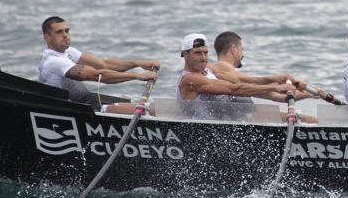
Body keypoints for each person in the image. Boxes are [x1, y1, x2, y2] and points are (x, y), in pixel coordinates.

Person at [176, 33, 312, 122]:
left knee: (306, 119)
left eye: (205, 53)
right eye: (198, 53)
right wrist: (276, 86)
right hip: (211, 130)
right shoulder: (190, 80)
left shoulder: (210, 69)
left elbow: (243, 80)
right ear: (185, 55)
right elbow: (235, 89)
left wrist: (277, 78)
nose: (203, 58)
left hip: (233, 121)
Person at [38, 16, 159, 113]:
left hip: (87, 102)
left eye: (67, 31)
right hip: (74, 111)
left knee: (152, 110)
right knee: (147, 111)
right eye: (59, 32)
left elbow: (104, 64)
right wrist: (137, 76)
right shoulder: (54, 61)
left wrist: (136, 63)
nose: (65, 35)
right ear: (47, 38)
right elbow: (98, 76)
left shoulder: (68, 52)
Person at [208, 31, 323, 103]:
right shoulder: (220, 67)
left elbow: (276, 96)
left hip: (246, 118)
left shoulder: (235, 78)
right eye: (242, 49)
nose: (243, 54)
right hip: (241, 120)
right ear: (234, 49)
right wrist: (276, 79)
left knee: (307, 119)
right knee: (308, 120)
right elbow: (242, 81)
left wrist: (309, 94)